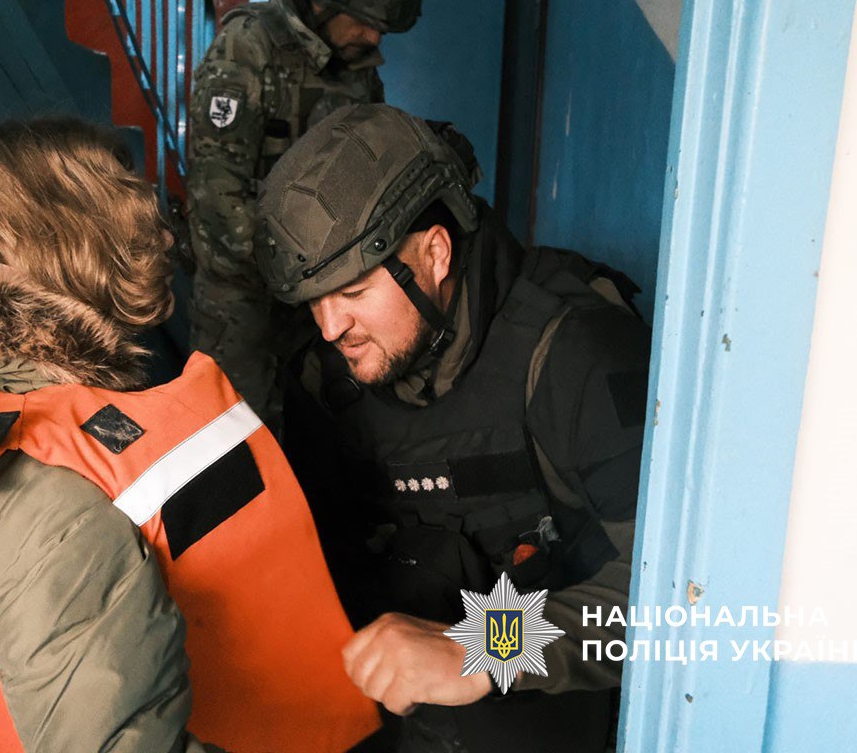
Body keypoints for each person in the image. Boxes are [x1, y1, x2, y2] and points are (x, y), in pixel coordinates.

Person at [0, 118, 379, 753]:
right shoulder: (46, 499)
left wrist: (458, 655)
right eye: (124, 213)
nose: (159, 238)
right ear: (68, 248)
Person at [254, 104, 651, 752]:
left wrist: (482, 646)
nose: (330, 328)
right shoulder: (326, 379)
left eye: (352, 292)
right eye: (313, 301)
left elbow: (671, 599)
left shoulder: (575, 352)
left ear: (435, 254)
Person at [186, 0, 424, 422]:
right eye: (363, 21)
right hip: (243, 297)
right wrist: (295, 271)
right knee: (234, 435)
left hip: (319, 292)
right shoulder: (248, 46)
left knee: (319, 429)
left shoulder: (355, 65)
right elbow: (215, 192)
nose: (373, 38)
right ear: (320, 0)